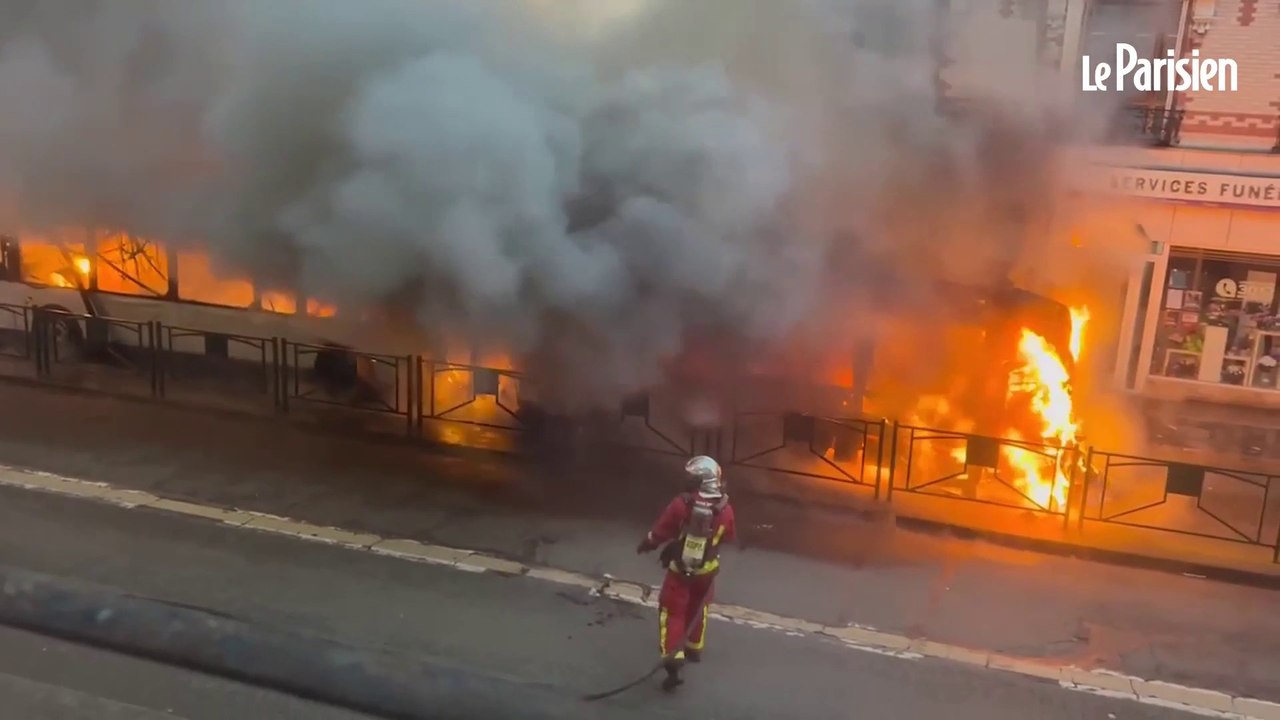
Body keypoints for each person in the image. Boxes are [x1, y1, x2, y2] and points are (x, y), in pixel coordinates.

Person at [635, 455, 737, 691]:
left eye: (692, 476)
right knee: (698, 607)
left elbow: (662, 529)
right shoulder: (726, 508)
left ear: (701, 480)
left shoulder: (682, 504)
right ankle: (694, 647)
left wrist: (648, 543)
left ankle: (673, 657)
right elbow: (729, 536)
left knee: (672, 612)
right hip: (708, 571)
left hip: (680, 570)